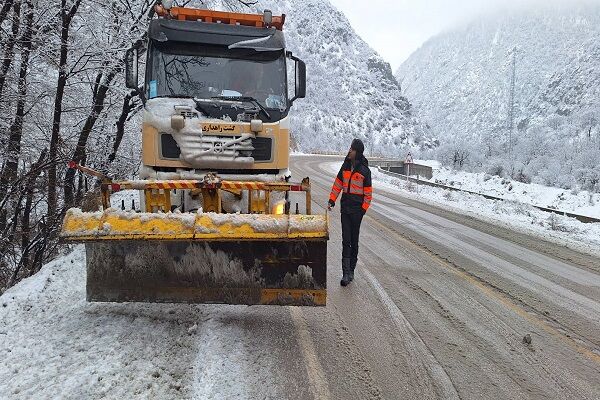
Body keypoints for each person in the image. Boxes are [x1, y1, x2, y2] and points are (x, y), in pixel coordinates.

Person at [328, 139, 372, 286]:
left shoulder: (365, 171)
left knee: (354, 241)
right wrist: (332, 200)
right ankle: (345, 273)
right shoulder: (345, 166)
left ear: (357, 152)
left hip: (357, 212)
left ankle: (352, 270)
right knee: (346, 240)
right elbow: (338, 184)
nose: (349, 151)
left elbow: (368, 195)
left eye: (352, 149)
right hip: (345, 209)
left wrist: (362, 210)